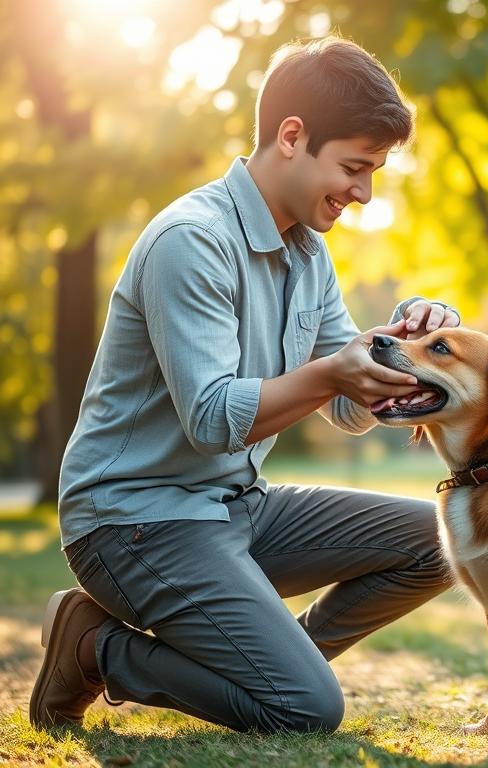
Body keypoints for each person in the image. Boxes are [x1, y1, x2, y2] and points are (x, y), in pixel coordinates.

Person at [29, 36, 457, 734]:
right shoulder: (192, 241)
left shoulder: (307, 254)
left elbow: (349, 406)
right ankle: (94, 647)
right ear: (292, 136)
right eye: (354, 167)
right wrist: (330, 371)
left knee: (441, 540)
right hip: (134, 522)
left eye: (373, 172)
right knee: (307, 710)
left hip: (236, 508)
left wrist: (413, 352)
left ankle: (265, 664)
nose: (363, 192)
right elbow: (210, 418)